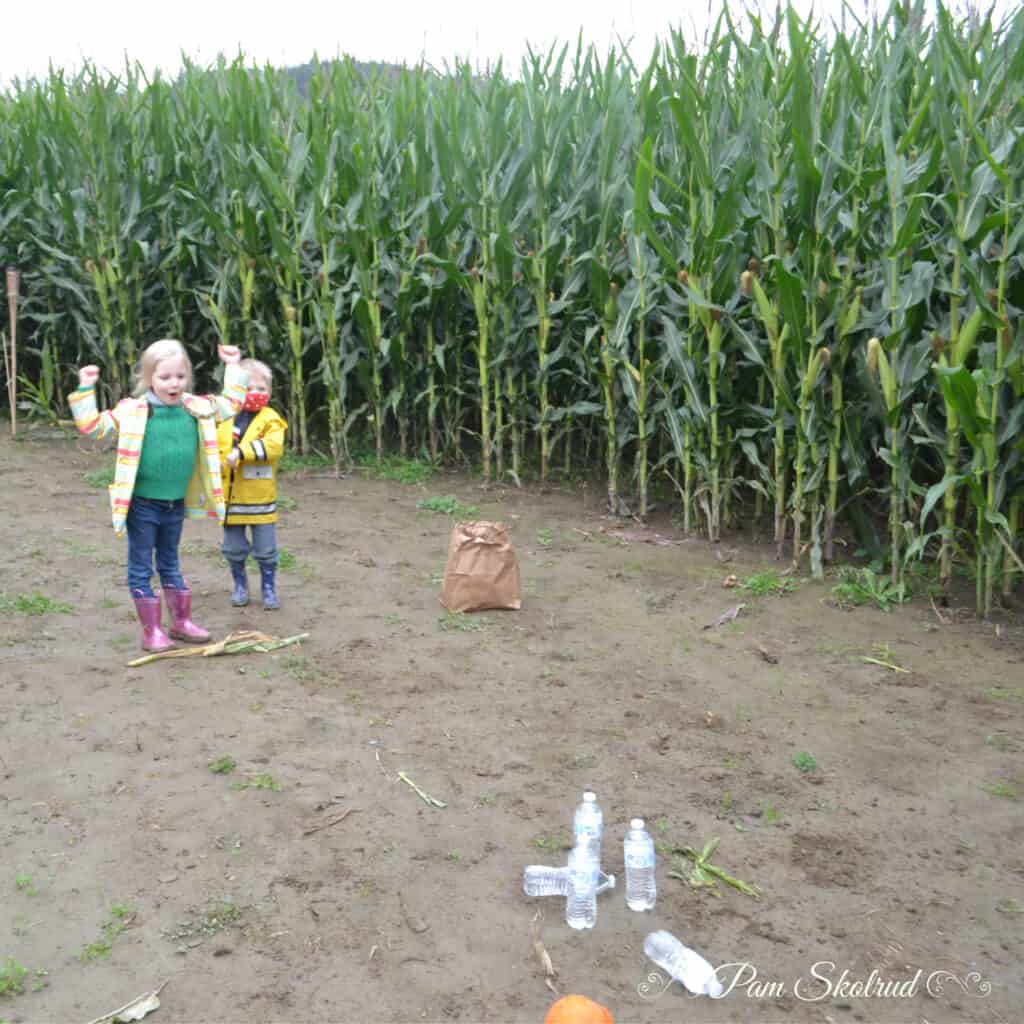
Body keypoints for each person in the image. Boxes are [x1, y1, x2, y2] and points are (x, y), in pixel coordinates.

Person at [70, 340, 246, 652]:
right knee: (141, 566)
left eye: (180, 376)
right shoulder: (134, 410)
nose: (173, 383)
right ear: (149, 377)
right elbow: (93, 427)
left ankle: (181, 622)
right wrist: (85, 388)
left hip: (175, 504)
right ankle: (151, 631)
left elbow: (232, 403)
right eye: (165, 377)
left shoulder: (197, 408)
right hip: (143, 505)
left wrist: (232, 366)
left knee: (170, 562)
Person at [217, 358, 288, 610]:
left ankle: (268, 588)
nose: (255, 393)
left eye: (261, 388)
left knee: (266, 549)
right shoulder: (224, 418)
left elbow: (274, 446)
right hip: (231, 500)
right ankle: (240, 585)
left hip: (260, 499)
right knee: (233, 548)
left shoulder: (272, 420)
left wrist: (241, 452)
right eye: (249, 388)